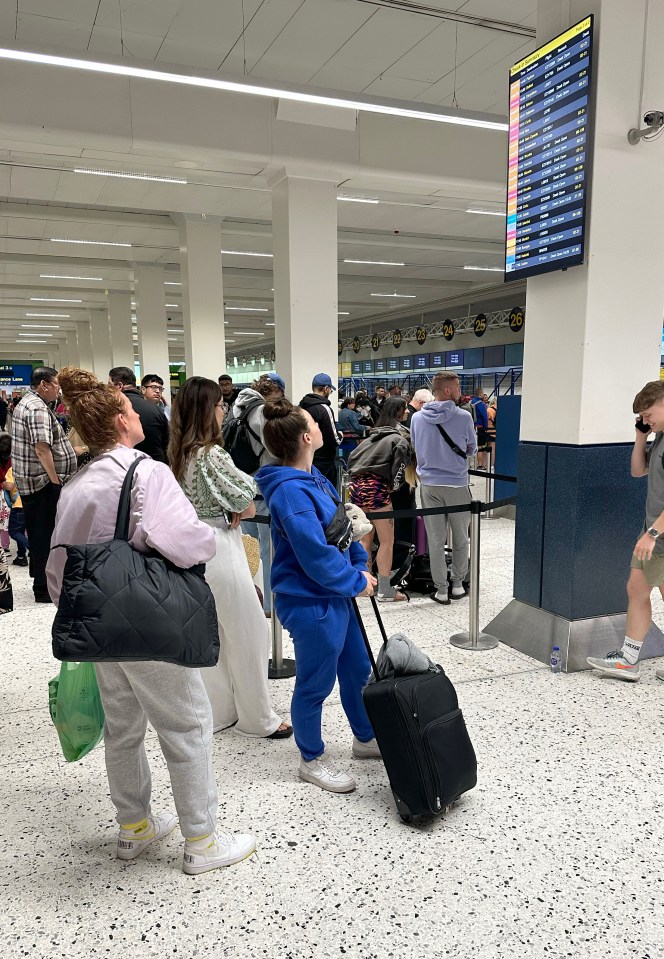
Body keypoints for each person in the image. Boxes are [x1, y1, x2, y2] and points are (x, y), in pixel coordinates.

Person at [46, 367, 255, 874]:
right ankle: (202, 841)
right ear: (122, 420)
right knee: (186, 724)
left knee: (122, 728)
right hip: (145, 620)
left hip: (97, 626)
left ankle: (134, 828)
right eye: (131, 409)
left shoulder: (76, 484)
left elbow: (58, 566)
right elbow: (185, 541)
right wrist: (208, 541)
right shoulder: (146, 472)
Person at [256, 398, 380, 794]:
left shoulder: (316, 479)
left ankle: (365, 737)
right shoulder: (290, 493)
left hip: (334, 594)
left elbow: (343, 527)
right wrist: (354, 581)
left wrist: (360, 564)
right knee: (315, 682)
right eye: (314, 421)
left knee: (358, 669)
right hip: (310, 600)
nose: (321, 424)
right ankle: (311, 758)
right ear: (307, 436)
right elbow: (314, 555)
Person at [169, 376, 291, 739]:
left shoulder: (180, 452)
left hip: (195, 547)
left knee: (216, 634)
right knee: (249, 631)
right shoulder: (212, 453)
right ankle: (258, 718)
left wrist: (235, 506)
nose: (224, 410)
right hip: (221, 546)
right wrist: (238, 506)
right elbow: (247, 499)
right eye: (220, 405)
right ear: (208, 410)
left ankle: (221, 711)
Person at [587, 381, 664, 683]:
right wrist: (640, 437)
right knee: (636, 588)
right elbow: (637, 470)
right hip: (653, 531)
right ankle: (629, 659)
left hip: (657, 534)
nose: (646, 420)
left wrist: (653, 534)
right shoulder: (658, 437)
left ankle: (629, 659)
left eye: (648, 414)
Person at [410, 372, 476, 606]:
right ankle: (457, 585)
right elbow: (472, 449)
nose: (460, 390)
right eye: (457, 386)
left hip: (429, 485)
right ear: (447, 390)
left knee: (435, 540)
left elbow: (416, 446)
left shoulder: (417, 418)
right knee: (460, 538)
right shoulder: (463, 417)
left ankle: (440, 590)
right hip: (457, 484)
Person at [10, 367, 76, 602]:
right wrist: (56, 481)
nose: (59, 389)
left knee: (39, 532)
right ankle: (44, 588)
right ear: (44, 385)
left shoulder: (28, 403)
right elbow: (41, 448)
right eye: (56, 384)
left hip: (32, 481)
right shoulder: (37, 408)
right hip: (42, 483)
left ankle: (40, 577)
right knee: (44, 535)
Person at [347, 397, 413, 602]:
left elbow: (351, 460)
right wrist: (391, 488)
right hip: (376, 488)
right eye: (405, 410)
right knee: (387, 541)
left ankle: (366, 586)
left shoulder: (371, 437)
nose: (408, 413)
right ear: (400, 412)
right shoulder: (399, 439)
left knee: (366, 538)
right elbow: (399, 471)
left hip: (356, 487)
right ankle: (385, 590)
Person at [232, 372, 286, 617]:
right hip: (262, 486)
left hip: (243, 485)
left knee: (248, 550)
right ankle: (268, 604)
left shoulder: (239, 407)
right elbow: (275, 448)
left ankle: (250, 598)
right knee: (267, 550)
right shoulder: (262, 412)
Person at [108, 367, 169, 463]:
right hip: (157, 464)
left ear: (119, 386)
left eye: (109, 385)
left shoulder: (114, 409)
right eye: (154, 387)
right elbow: (166, 443)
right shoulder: (157, 410)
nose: (108, 389)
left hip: (126, 467)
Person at [298, 374, 341, 485]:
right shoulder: (324, 409)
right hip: (324, 462)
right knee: (327, 495)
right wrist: (340, 435)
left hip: (304, 460)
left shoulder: (300, 407)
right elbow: (334, 440)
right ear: (326, 389)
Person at [0, 435, 28, 566]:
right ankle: (21, 557)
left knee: (14, 531)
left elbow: (10, 485)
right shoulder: (26, 466)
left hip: (18, 505)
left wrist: (3, 484)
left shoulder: (13, 468)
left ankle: (31, 548)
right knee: (21, 530)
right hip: (28, 502)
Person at [471, 388, 489, 469]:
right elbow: (485, 416)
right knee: (481, 446)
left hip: (472, 426)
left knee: (475, 445)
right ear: (481, 394)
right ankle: (480, 464)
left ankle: (474, 463)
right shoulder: (481, 404)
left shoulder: (471, 402)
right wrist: (486, 426)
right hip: (480, 427)